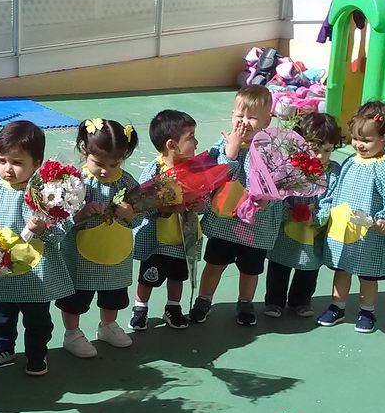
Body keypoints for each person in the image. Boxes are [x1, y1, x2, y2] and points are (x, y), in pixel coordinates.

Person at [0, 120, 74, 376]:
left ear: (37, 163)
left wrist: (44, 229)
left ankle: (37, 352)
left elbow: (62, 226)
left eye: (17, 162)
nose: (7, 169)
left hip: (35, 271)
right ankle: (2, 346)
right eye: (2, 160)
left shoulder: (45, 192)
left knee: (37, 320)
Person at [190, 85, 281, 327]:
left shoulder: (271, 147)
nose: (244, 122)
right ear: (232, 116)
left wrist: (267, 197)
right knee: (214, 264)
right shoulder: (224, 142)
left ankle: (245, 302)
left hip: (257, 224)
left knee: (250, 269)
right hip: (225, 221)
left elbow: (280, 181)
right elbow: (213, 175)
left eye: (252, 117)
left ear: (267, 120)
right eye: (239, 116)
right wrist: (230, 152)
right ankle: (204, 299)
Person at [316, 101, 385, 333]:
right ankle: (337, 306)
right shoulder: (350, 162)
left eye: (367, 140)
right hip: (344, 228)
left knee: (368, 273)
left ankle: (367, 310)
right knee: (341, 267)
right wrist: (326, 212)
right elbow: (336, 190)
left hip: (370, 230)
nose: (359, 145)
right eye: (356, 138)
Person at [57, 117, 140, 357]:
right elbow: (60, 217)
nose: (106, 170)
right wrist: (81, 213)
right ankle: (72, 333)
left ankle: (108, 325)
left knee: (113, 293)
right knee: (77, 296)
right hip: (81, 254)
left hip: (116, 249)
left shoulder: (127, 181)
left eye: (114, 164)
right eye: (98, 162)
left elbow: (141, 214)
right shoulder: (75, 181)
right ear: (85, 150)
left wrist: (130, 213)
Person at [265, 112, 342, 319]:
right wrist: (287, 212)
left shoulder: (332, 171)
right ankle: (274, 301)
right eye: (314, 149)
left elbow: (332, 200)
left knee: (309, 267)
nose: (320, 156)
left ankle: (301, 300)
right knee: (279, 264)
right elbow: (278, 194)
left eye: (326, 150)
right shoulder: (290, 167)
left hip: (312, 229)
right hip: (287, 226)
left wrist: (317, 218)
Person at [129, 109, 200, 331]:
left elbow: (202, 195)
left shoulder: (194, 168)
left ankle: (173, 307)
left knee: (178, 275)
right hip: (157, 240)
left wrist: (200, 204)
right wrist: (165, 208)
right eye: (191, 138)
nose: (196, 142)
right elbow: (141, 202)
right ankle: (140, 308)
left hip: (182, 237)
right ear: (172, 145)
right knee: (148, 275)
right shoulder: (155, 169)